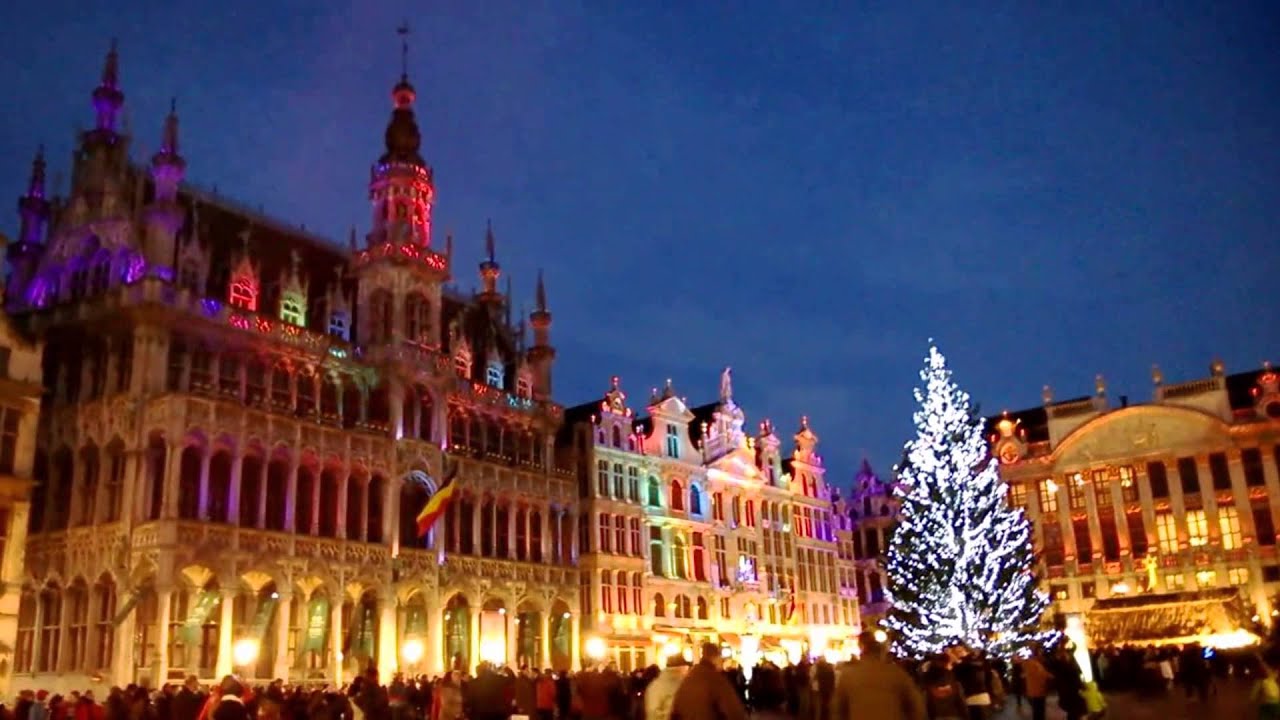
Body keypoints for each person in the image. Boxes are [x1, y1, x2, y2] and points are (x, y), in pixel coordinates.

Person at [829, 632, 925, 720]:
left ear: (862, 650)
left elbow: (837, 709)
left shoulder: (848, 675)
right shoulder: (896, 673)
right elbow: (916, 706)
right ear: (881, 652)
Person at [669, 644, 747, 720]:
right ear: (715, 658)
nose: (722, 662)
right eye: (721, 659)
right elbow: (734, 711)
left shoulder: (689, 678)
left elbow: (676, 710)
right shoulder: (715, 679)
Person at [644, 654, 690, 720]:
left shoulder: (656, 685)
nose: (687, 670)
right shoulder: (660, 686)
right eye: (686, 667)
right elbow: (653, 712)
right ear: (680, 668)